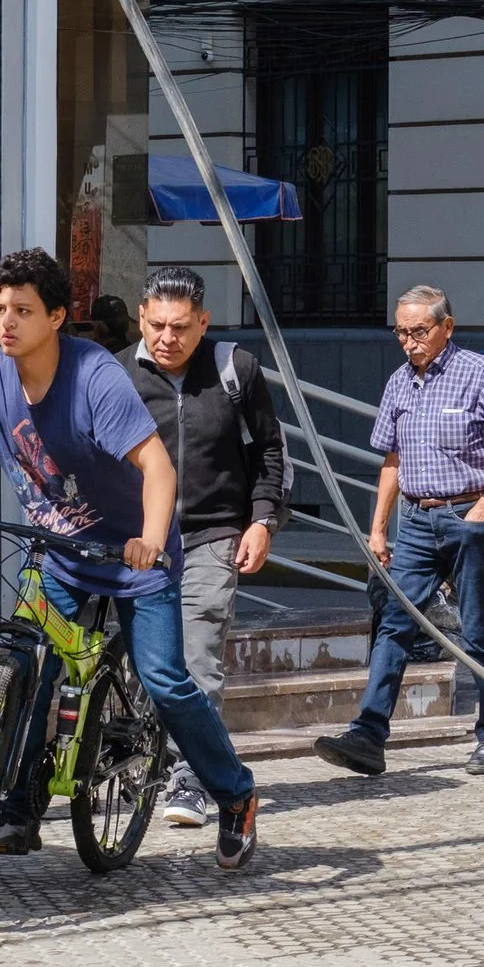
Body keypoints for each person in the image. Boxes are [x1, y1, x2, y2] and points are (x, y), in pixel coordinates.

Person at [0, 248, 259, 871]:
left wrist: (153, 537)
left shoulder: (96, 375)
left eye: (22, 310)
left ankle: (235, 795)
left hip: (134, 556)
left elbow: (157, 467)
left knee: (165, 681)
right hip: (59, 554)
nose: (6, 323)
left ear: (56, 317)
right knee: (25, 662)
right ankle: (17, 808)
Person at [316, 286, 484, 778]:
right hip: (415, 522)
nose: (409, 341)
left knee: (478, 632)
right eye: (402, 332)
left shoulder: (479, 374)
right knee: (394, 624)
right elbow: (392, 460)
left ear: (447, 327)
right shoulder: (398, 382)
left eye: (419, 331)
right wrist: (378, 529)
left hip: (466, 518)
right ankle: (369, 734)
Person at [119, 267, 290, 829]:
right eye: (158, 325)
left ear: (203, 323)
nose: (168, 338)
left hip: (211, 536)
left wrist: (262, 521)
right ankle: (124, 752)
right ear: (141, 317)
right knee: (131, 664)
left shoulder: (234, 370)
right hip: (136, 541)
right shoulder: (116, 373)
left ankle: (191, 778)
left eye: (182, 327)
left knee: (195, 661)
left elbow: (270, 450)